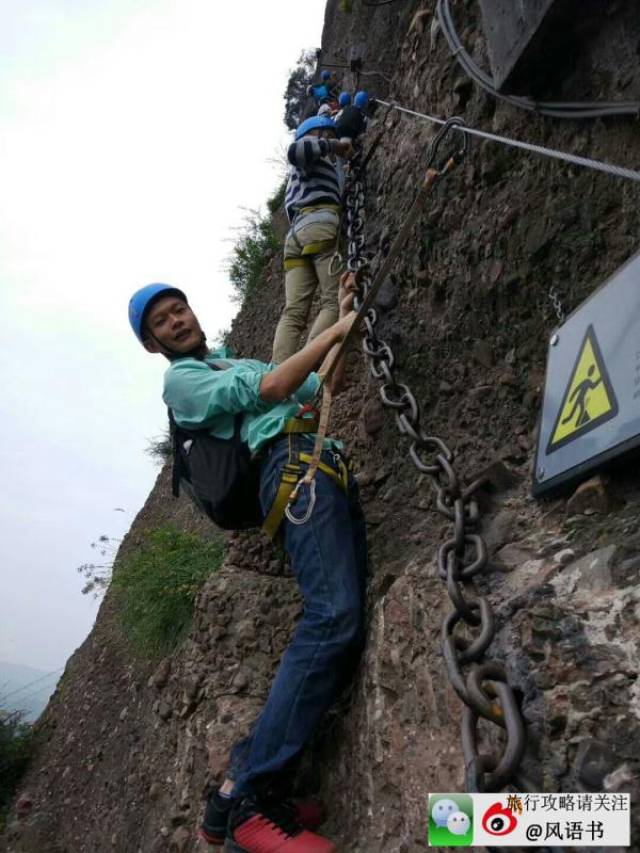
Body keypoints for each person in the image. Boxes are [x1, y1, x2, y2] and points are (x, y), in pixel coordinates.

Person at [128, 278, 367, 853]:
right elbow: (277, 384)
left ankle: (231, 799)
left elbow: (322, 380)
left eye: (178, 308)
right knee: (333, 615)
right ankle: (252, 808)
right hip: (289, 469)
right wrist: (332, 328)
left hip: (317, 464)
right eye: (161, 321)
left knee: (346, 621)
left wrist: (343, 316)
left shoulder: (233, 361)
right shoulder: (181, 381)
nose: (177, 320)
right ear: (153, 344)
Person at [271, 116, 353, 365]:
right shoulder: (308, 154)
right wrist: (336, 145)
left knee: (293, 312)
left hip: (295, 238)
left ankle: (278, 372)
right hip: (318, 226)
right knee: (331, 303)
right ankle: (303, 367)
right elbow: (297, 150)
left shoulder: (304, 176)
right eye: (327, 134)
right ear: (317, 133)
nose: (331, 140)